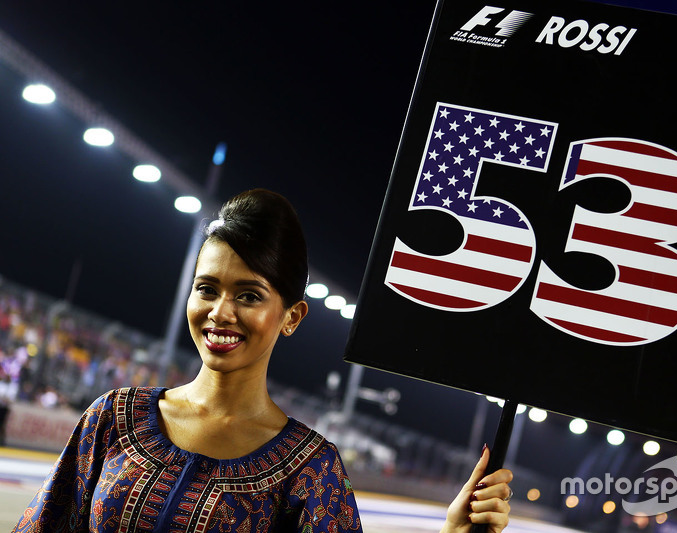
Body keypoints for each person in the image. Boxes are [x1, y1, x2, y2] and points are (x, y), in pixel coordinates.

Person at [13, 189, 513, 533]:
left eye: (249, 295)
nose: (221, 312)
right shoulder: (112, 419)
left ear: (291, 316)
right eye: (207, 289)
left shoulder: (311, 471)